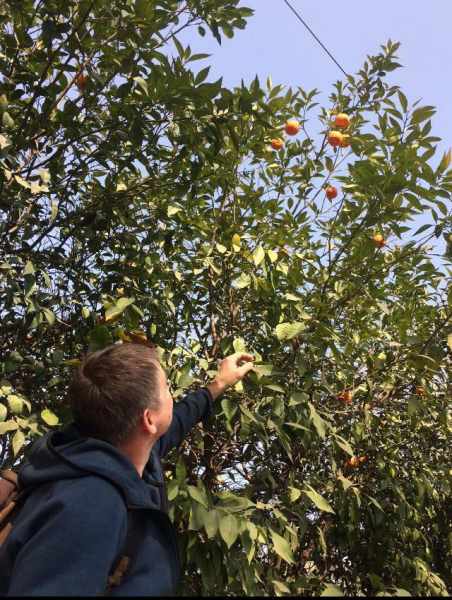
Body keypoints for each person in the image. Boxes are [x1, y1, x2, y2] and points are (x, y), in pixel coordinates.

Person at [0, 343, 254, 596]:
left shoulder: (114, 453)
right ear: (149, 419)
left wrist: (220, 383)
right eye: (167, 388)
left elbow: (176, 421)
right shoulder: (91, 505)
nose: (171, 396)